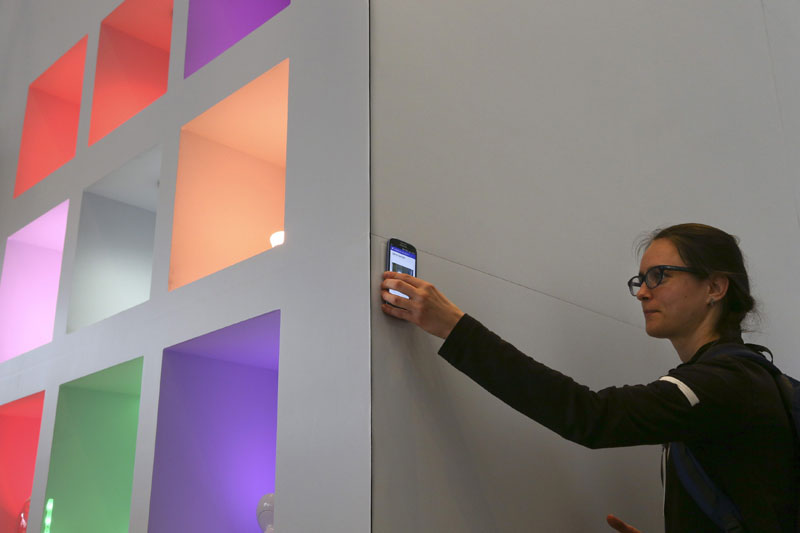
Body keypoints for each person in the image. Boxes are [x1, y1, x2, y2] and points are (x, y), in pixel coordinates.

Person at [380, 223, 798, 532]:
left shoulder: (727, 381)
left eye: (660, 275)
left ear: (716, 287)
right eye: (640, 279)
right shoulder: (739, 380)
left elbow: (591, 416)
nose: (643, 291)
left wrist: (454, 327)